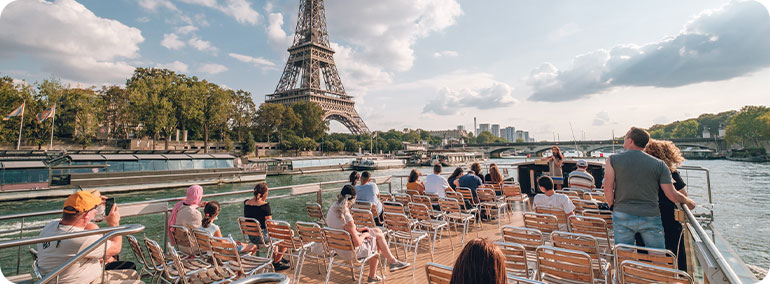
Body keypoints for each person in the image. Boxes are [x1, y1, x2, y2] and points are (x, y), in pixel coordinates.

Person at [604, 127, 696, 248]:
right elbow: (672, 194)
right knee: (657, 254)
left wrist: (612, 206)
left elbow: (607, 189)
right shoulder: (660, 165)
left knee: (623, 252)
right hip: (650, 215)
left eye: (625, 137)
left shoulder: (612, 160)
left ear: (631, 141)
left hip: (623, 212)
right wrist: (687, 201)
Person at [37, 191, 141, 284]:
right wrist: (114, 223)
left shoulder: (50, 226)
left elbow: (82, 224)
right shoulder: (82, 239)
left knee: (132, 273)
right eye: (95, 209)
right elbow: (116, 247)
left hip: (58, 279)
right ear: (87, 215)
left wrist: (93, 203)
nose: (96, 211)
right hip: (86, 281)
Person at [326, 185, 409, 282]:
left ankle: (392, 262)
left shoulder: (332, 209)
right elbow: (357, 243)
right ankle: (377, 273)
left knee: (377, 231)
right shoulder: (346, 216)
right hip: (350, 251)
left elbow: (344, 228)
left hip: (338, 247)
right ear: (353, 199)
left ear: (340, 195)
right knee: (376, 240)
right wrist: (364, 234)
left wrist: (359, 230)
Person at [644, 139, 689, 270]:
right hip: (667, 218)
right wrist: (689, 203)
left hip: (645, 217)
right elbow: (681, 195)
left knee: (647, 254)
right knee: (674, 254)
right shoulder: (669, 172)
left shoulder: (642, 173)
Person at [244, 182, 290, 271]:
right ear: (264, 194)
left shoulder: (246, 203)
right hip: (262, 238)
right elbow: (271, 226)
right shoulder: (265, 206)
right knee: (287, 235)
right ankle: (277, 261)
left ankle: (276, 258)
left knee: (274, 236)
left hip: (251, 236)